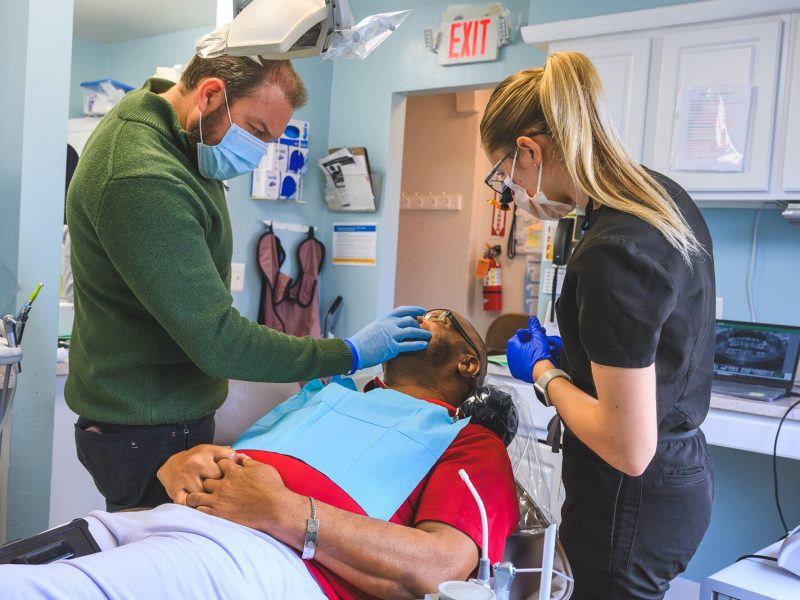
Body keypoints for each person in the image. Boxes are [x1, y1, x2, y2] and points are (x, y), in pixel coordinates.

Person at [65, 53, 431, 512]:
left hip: (159, 416)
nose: (257, 153)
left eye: (270, 140)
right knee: (171, 552)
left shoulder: (178, 135)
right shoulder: (143, 175)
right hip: (148, 431)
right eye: (255, 131)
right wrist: (348, 353)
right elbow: (218, 343)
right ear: (210, 94)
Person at [0, 309, 519, 600]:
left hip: (259, 557)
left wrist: (284, 511)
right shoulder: (329, 395)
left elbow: (441, 566)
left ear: (468, 363)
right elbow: (237, 465)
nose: (417, 316)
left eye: (436, 318)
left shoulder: (469, 441)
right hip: (159, 521)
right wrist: (181, 465)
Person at [480, 51, 716, 599]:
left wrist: (544, 374)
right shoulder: (659, 198)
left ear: (529, 151)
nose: (512, 194)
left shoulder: (612, 250)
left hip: (630, 499)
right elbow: (652, 344)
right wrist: (579, 354)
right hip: (678, 478)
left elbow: (628, 445)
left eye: (506, 178)